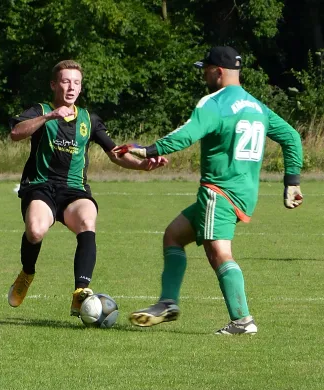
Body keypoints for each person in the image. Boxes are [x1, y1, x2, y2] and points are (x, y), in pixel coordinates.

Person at [115, 46, 303, 335]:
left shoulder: (215, 103)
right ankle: (167, 302)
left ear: (218, 71)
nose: (203, 74)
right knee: (174, 235)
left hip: (219, 189)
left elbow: (188, 133)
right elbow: (291, 137)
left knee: (218, 252)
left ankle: (242, 321)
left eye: (205, 69)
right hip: (244, 191)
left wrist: (148, 149)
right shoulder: (256, 106)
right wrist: (292, 181)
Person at [8, 59, 168, 318]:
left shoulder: (89, 120)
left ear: (81, 88)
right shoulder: (40, 110)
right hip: (41, 186)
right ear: (53, 84)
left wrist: (142, 165)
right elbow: (16, 132)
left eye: (76, 83)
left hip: (74, 190)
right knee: (35, 231)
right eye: (65, 81)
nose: (71, 87)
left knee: (87, 219)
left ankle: (80, 292)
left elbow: (115, 153)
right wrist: (49, 116)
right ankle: (27, 272)